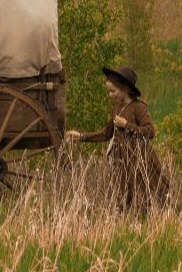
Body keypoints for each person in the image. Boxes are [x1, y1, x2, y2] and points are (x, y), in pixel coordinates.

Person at [65, 65, 168, 213]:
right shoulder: (117, 108)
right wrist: (81, 136)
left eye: (113, 91)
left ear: (125, 88)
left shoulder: (139, 107)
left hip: (138, 158)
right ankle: (126, 218)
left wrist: (127, 125)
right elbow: (106, 134)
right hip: (120, 159)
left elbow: (150, 131)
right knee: (123, 195)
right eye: (109, 91)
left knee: (146, 193)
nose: (110, 95)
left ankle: (151, 217)